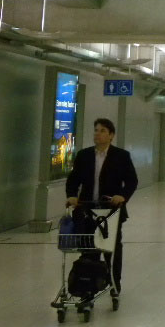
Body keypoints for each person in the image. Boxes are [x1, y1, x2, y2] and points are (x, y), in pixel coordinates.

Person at [66, 118, 138, 293]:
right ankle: (90, 282)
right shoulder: (84, 155)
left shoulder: (121, 156)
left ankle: (114, 282)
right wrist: (72, 196)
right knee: (89, 247)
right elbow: (73, 180)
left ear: (111, 135)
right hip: (87, 209)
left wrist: (122, 196)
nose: (97, 134)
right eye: (96, 130)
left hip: (111, 210)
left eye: (102, 130)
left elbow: (132, 180)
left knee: (112, 247)